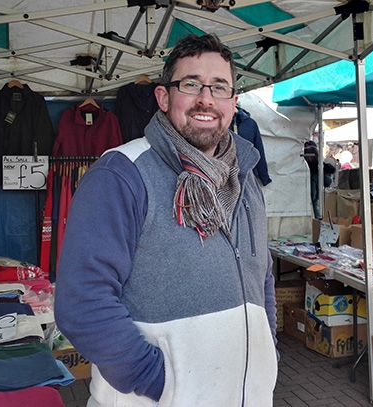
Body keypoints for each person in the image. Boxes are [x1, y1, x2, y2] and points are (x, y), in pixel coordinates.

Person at [54, 34, 278, 407]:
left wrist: (265, 355)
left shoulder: (245, 177)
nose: (206, 98)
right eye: (191, 84)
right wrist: (160, 382)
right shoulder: (121, 174)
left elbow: (263, 277)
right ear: (163, 97)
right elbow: (82, 301)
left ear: (234, 103)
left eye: (219, 87)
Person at [304, 140, 336, 218]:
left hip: (310, 196)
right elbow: (332, 170)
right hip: (317, 196)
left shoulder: (307, 166)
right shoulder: (319, 166)